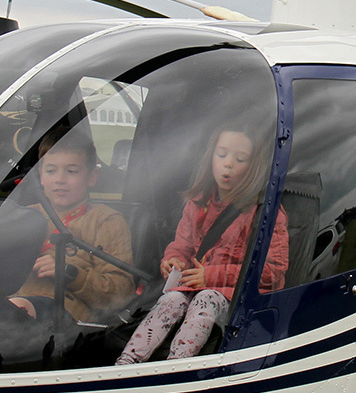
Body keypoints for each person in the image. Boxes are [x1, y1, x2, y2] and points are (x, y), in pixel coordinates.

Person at [116, 124, 287, 364]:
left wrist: (212, 277)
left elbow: (273, 272)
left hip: (238, 300)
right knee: (171, 299)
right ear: (211, 158)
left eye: (240, 159)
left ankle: (177, 365)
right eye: (222, 155)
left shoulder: (265, 214)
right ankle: (127, 362)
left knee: (207, 297)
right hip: (193, 287)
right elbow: (182, 245)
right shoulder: (197, 203)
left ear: (254, 167)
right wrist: (172, 260)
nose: (228, 164)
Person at [8, 136, 134, 333]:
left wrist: (69, 273)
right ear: (41, 176)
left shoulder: (106, 221)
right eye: (51, 171)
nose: (59, 179)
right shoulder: (22, 216)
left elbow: (121, 292)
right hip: (9, 308)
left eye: (71, 171)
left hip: (63, 322)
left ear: (92, 177)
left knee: (11, 313)